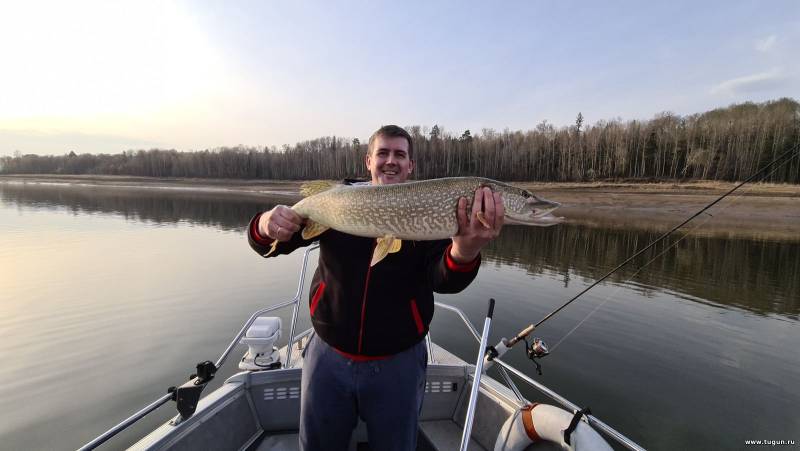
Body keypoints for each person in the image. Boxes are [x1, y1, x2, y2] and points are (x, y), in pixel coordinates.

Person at [246, 125, 504, 450]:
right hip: (327, 355)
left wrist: (466, 250)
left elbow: (444, 280)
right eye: (383, 153)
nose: (391, 161)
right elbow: (269, 243)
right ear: (369, 160)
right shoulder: (337, 200)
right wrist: (266, 222)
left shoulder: (432, 208)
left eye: (400, 154)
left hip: (399, 363)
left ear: (411, 166)